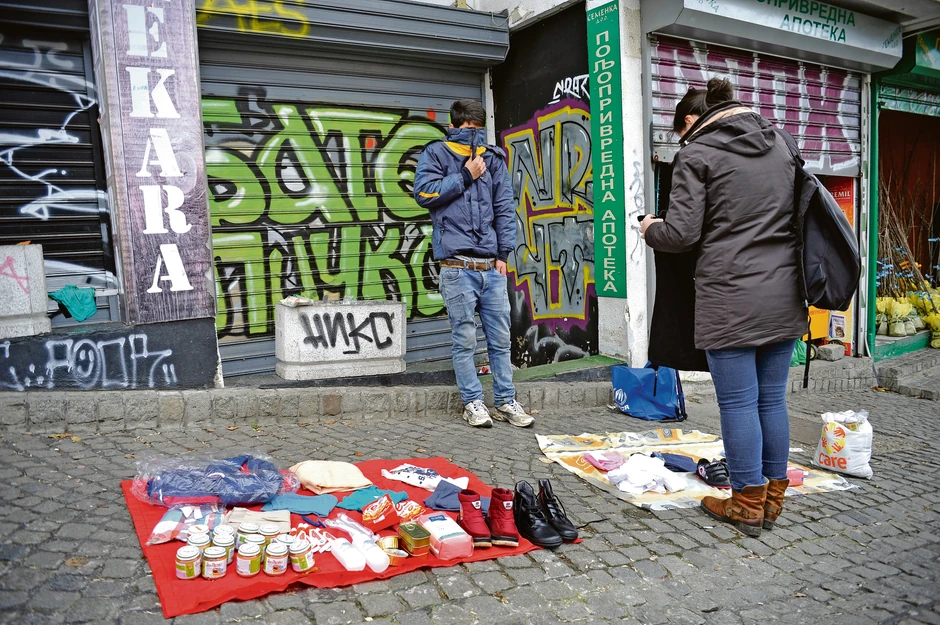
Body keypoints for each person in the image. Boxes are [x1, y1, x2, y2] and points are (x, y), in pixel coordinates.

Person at [640, 78, 807, 537]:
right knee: (771, 399)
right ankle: (772, 500)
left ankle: (746, 504)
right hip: (786, 293)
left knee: (737, 403)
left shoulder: (697, 155)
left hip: (731, 297)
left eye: (680, 132)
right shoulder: (783, 144)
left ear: (693, 122)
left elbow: (681, 235)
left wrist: (649, 226)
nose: (682, 140)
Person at [413, 99, 533, 429]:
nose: (476, 134)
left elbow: (505, 209)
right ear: (457, 126)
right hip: (456, 267)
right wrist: (465, 175)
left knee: (500, 340)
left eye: (481, 129)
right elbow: (423, 195)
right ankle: (472, 403)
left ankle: (507, 402)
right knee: (464, 340)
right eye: (471, 129)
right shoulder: (435, 154)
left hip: (491, 269)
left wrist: (503, 256)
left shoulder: (493, 159)